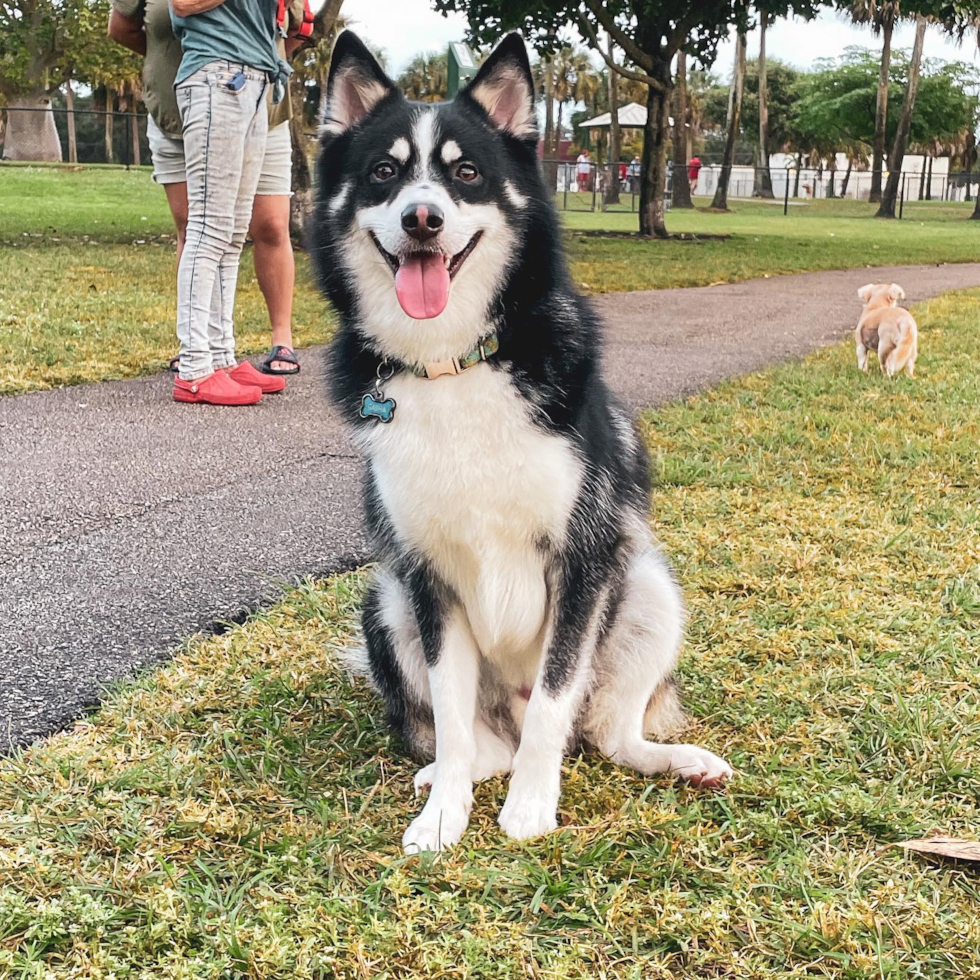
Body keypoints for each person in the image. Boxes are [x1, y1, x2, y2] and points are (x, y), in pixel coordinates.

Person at [109, 0, 301, 404]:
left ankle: (221, 357)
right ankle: (195, 368)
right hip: (218, 76)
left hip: (253, 78)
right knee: (208, 226)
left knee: (232, 231)